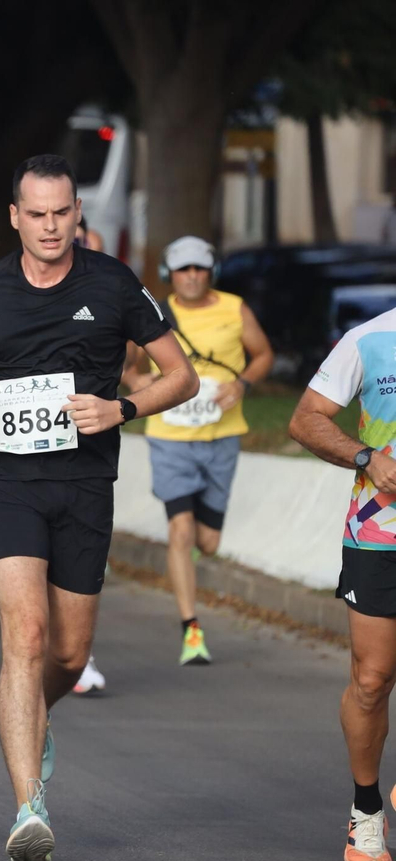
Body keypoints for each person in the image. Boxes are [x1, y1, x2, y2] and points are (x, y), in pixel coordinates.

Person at [0, 154, 196, 861]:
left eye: (62, 213)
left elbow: (183, 374)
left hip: (83, 483)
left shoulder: (112, 284)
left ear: (78, 213)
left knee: (70, 655)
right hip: (5, 480)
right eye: (37, 214)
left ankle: (34, 714)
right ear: (15, 216)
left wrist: (123, 407)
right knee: (27, 631)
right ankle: (28, 806)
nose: (51, 227)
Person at [123, 235, 274, 665]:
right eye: (183, 269)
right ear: (171, 274)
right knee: (181, 531)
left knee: (207, 542)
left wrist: (242, 383)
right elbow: (129, 366)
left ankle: (187, 553)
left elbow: (263, 354)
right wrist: (137, 384)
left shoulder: (234, 307)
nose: (192, 276)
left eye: (199, 268)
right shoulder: (155, 313)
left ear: (211, 272)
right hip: (169, 437)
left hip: (222, 436)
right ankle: (191, 629)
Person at [289, 306, 396, 861]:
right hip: (380, 531)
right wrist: (366, 457)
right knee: (373, 678)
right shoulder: (369, 338)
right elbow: (306, 418)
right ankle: (366, 812)